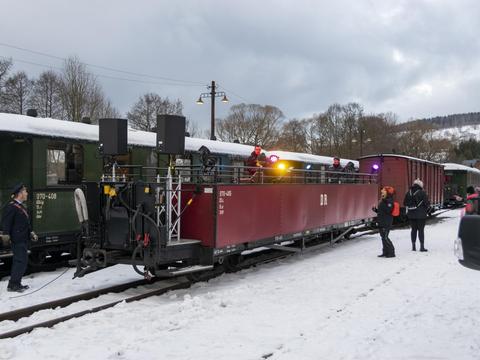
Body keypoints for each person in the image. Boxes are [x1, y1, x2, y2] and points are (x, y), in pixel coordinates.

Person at [1, 183, 37, 292]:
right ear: (20, 193)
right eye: (25, 191)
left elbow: (25, 223)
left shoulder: (20, 206)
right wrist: (5, 235)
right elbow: (6, 222)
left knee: (21, 261)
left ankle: (16, 283)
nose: (27, 193)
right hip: (17, 239)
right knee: (20, 261)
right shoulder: (11, 207)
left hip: (22, 238)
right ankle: (13, 285)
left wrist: (31, 232)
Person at [403, 179, 430, 252]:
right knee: (421, 230)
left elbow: (404, 203)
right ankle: (422, 247)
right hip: (421, 215)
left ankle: (413, 247)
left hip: (411, 214)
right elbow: (427, 203)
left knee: (413, 230)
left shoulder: (409, 192)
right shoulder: (422, 193)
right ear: (421, 185)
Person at [372, 186, 396, 258]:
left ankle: (391, 252)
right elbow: (381, 211)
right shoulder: (383, 200)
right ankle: (385, 252)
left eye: (384, 191)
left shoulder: (389, 201)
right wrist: (375, 210)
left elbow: (388, 211)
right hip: (381, 221)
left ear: (387, 193)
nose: (382, 192)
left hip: (386, 221)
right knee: (383, 237)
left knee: (385, 237)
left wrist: (384, 201)